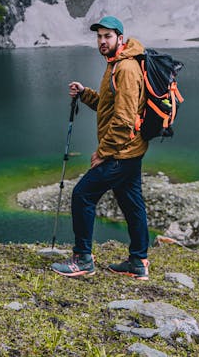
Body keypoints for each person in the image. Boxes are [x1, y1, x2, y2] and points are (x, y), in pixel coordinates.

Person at [51, 14, 150, 280]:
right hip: (131, 151)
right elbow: (108, 108)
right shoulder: (115, 65)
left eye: (107, 36)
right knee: (132, 203)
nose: (102, 41)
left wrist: (103, 152)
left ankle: (82, 259)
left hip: (120, 152)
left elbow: (124, 119)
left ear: (120, 38)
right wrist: (85, 93)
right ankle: (138, 262)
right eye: (99, 36)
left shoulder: (126, 69)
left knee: (82, 195)